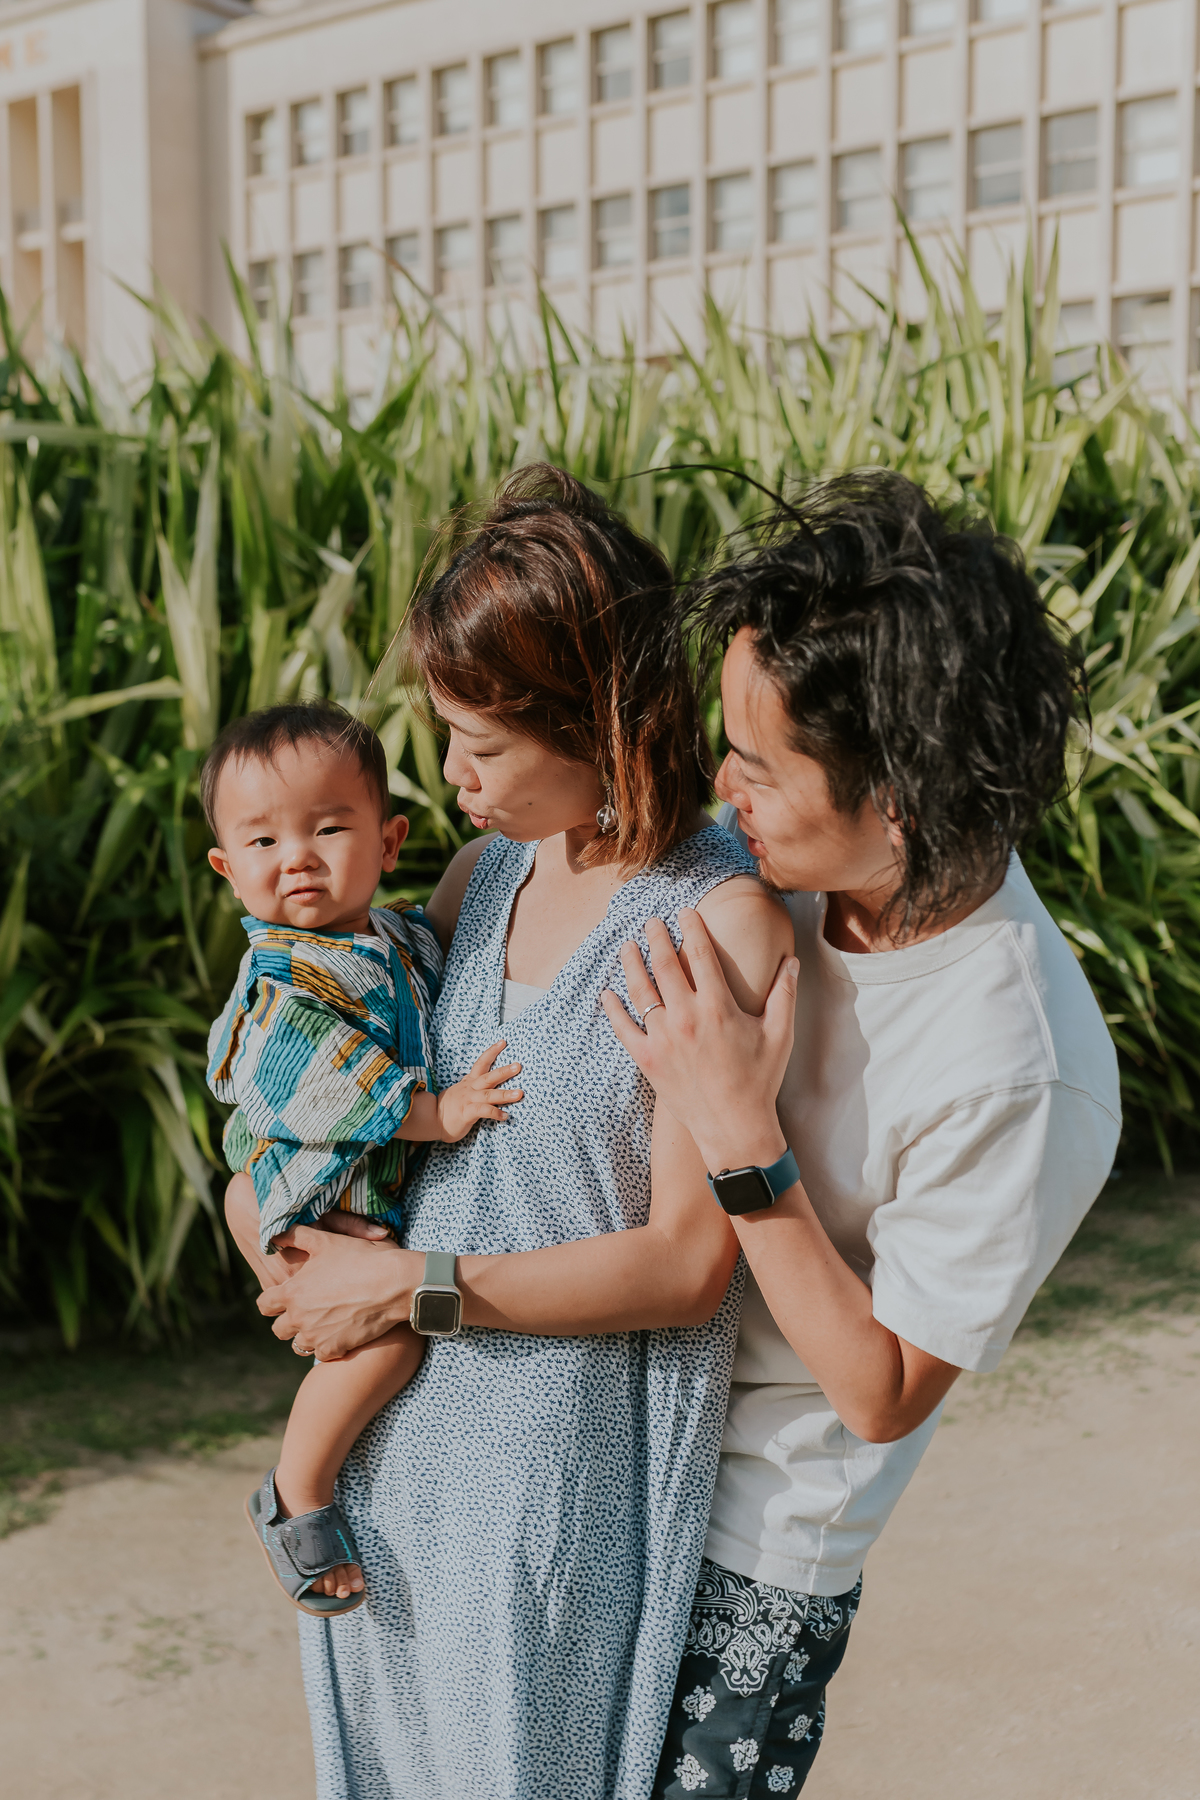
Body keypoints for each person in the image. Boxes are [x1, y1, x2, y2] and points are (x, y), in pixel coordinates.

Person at [241, 466, 793, 1800]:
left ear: (601, 717)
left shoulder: (715, 925)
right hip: (388, 1479)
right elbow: (373, 1115)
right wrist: (269, 1231)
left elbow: (683, 1265)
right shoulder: (483, 875)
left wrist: (411, 1288)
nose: (453, 777)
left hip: (556, 1498)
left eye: (481, 745)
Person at [602, 471, 1122, 1798]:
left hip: (754, 1554)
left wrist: (739, 1134)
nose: (726, 787)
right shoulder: (785, 867)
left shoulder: (1021, 1065)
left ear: (900, 793)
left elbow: (883, 1391)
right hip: (618, 1442)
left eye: (760, 765)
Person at [204, 701, 523, 1614]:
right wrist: (441, 1111)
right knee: (388, 1346)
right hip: (314, 1190)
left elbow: (439, 984)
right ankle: (297, 1490)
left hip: (343, 1198)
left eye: (328, 827)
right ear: (228, 869)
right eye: (262, 841)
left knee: (372, 1325)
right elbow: (336, 1083)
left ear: (388, 842)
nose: (296, 856)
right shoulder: (281, 978)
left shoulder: (393, 936)